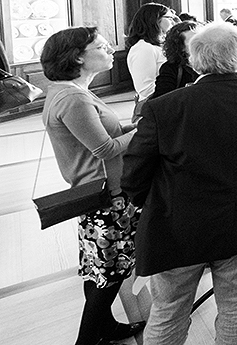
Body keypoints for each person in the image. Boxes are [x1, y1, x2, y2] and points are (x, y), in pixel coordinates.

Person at [122, 23, 237, 344]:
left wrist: (146, 202)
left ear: (193, 60)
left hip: (178, 224)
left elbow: (134, 173)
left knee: (169, 310)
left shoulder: (164, 108)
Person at [40, 28, 143, 345]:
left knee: (100, 268)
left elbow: (104, 133)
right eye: (101, 46)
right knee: (111, 273)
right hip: (107, 195)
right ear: (78, 57)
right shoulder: (72, 98)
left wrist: (131, 127)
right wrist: (145, 131)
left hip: (98, 190)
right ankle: (86, 340)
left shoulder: (71, 91)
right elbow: (105, 149)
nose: (110, 50)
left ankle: (106, 327)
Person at [126, 3, 177, 122]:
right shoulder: (144, 48)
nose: (173, 22)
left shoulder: (158, 46)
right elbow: (145, 88)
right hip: (156, 106)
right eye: (169, 18)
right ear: (155, 20)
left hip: (166, 101)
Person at [152, 20, 199, 99]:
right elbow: (161, 99)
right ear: (181, 47)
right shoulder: (171, 68)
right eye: (193, 42)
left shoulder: (214, 64)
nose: (200, 44)